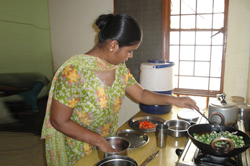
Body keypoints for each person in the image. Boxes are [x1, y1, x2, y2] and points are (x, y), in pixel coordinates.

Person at [41, 13, 199, 166]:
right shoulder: (74, 72)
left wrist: (176, 99)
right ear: (113, 45)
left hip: (107, 144)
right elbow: (58, 121)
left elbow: (142, 94)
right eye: (129, 51)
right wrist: (99, 140)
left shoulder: (119, 68)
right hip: (78, 149)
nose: (130, 56)